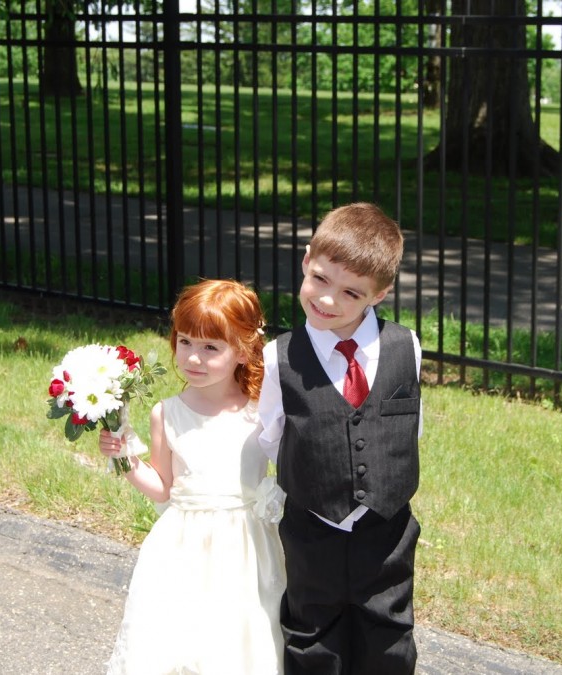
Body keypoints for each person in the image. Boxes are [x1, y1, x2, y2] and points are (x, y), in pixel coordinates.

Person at [258, 202, 423, 674]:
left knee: (387, 635)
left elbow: (411, 424)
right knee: (311, 636)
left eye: (351, 292)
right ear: (306, 259)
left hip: (386, 530)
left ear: (380, 294)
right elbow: (273, 435)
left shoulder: (403, 347)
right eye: (320, 280)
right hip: (311, 528)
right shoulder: (279, 357)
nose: (328, 300)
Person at [99, 279, 286, 674]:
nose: (193, 358)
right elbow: (163, 488)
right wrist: (127, 461)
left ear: (242, 350)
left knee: (241, 637)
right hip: (184, 546)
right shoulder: (167, 414)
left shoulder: (262, 409)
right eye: (185, 342)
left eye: (210, 347)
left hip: (247, 546)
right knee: (181, 640)